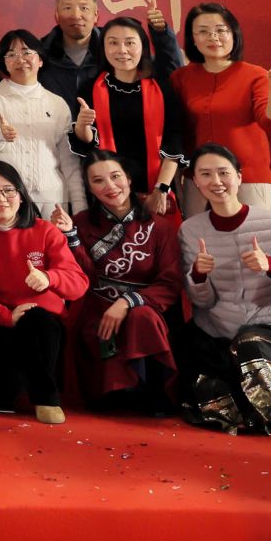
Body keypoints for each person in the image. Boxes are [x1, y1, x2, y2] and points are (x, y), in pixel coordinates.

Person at [177, 144, 271, 433]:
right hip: (220, 338)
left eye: (223, 173)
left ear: (239, 176)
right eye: (205, 174)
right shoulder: (190, 230)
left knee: (250, 342)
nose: (216, 181)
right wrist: (198, 275)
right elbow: (202, 303)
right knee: (201, 377)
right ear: (196, 181)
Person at [0, 160, 86, 423]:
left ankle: (47, 398)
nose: (1, 198)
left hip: (40, 324)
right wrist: (5, 316)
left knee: (37, 318)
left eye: (9, 190)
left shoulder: (45, 231)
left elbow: (78, 284)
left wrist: (49, 278)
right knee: (6, 393)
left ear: (21, 195)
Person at [62, 153, 180, 413]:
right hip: (97, 304)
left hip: (145, 304)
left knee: (142, 317)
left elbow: (170, 282)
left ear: (128, 178)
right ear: (90, 188)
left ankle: (151, 392)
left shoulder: (160, 227)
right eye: (98, 181)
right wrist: (70, 236)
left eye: (116, 177)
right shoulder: (81, 222)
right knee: (95, 324)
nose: (110, 186)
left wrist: (127, 302)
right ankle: (115, 392)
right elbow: (83, 276)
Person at [175, 3, 271, 211]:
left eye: (221, 30)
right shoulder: (181, 78)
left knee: (258, 232)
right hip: (199, 181)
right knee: (197, 232)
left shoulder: (255, 75)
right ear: (192, 39)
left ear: (234, 34)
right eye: (203, 31)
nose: (213, 37)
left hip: (248, 179)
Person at [0, 30, 88, 216]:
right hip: (6, 198)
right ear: (4, 63)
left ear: (40, 60)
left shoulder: (57, 103)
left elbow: (69, 162)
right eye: (11, 55)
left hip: (52, 197)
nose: (20, 59)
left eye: (27, 52)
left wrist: (80, 208)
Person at [36, 0, 183, 116]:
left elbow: (171, 73)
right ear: (57, 15)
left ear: (96, 15)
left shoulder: (115, 49)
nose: (76, 15)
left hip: (108, 133)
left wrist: (161, 33)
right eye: (67, 8)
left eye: (84, 8)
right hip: (56, 134)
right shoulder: (39, 54)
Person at [91, 16, 190, 212]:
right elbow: (86, 147)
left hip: (157, 189)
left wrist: (161, 189)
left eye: (129, 43)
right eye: (113, 43)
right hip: (107, 194)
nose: (122, 50)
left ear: (143, 47)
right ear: (103, 48)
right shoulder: (91, 89)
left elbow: (175, 140)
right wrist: (82, 128)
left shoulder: (161, 88)